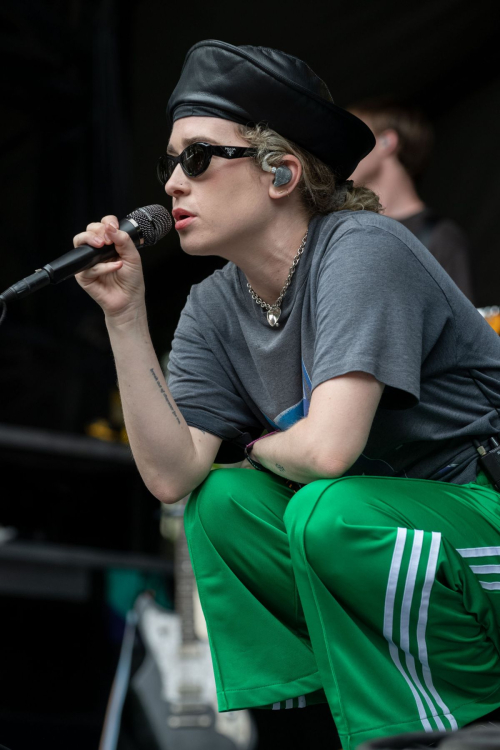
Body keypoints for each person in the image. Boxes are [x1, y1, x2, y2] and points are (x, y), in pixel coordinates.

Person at [73, 41, 500, 750]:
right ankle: (305, 724)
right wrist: (124, 315)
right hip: (389, 538)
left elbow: (328, 451)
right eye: (169, 164)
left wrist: (259, 449)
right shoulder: (213, 305)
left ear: (280, 171)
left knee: (326, 509)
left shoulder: (362, 245)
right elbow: (172, 476)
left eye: (198, 158)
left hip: (480, 523)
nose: (173, 184)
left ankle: (454, 718)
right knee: (222, 505)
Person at [348, 98, 474, 301]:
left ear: (387, 142)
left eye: (351, 136)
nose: (340, 149)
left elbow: (463, 330)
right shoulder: (350, 229)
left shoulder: (441, 237)